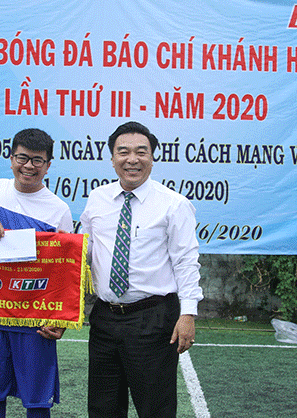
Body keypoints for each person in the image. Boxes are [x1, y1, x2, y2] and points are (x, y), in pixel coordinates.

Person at [80, 121, 204, 418]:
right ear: (112, 158)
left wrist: (188, 314)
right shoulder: (97, 199)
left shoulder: (174, 205)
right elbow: (85, 255)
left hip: (153, 319)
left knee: (155, 408)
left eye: (141, 152)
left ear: (152, 158)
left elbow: (186, 261)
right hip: (105, 318)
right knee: (103, 407)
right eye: (123, 152)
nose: (132, 159)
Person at [0, 128, 73, 418]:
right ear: (11, 159)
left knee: (37, 401)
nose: (29, 166)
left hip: (35, 321)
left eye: (37, 160)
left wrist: (60, 321)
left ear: (48, 165)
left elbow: (65, 272)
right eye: (22, 157)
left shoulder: (58, 209)